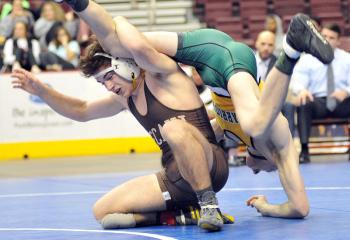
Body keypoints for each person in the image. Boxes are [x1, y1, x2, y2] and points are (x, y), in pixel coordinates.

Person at [54, 0, 334, 218]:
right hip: (222, 58)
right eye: (263, 171)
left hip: (210, 51)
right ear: (274, 163)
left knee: (117, 45)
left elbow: (299, 208)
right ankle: (291, 49)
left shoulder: (254, 135)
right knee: (254, 124)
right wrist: (123, 24)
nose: (255, 171)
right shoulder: (267, 141)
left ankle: (78, 3)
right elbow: (299, 209)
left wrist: (266, 206)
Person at [11, 25, 232, 233]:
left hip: (211, 166)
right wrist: (42, 91)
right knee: (103, 212)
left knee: (173, 128)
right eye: (102, 83)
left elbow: (138, 46)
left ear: (126, 65)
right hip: (176, 177)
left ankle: (209, 205)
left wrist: (110, 20)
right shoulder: (124, 98)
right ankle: (180, 216)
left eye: (109, 77)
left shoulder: (160, 74)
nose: (109, 86)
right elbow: (82, 110)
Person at [291, 23, 350, 163]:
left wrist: (346, 92)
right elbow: (297, 80)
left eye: (332, 37)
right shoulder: (307, 59)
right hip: (318, 102)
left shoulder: (347, 58)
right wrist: (302, 90)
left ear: (338, 41)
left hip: (341, 102)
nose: (327, 40)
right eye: (324, 36)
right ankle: (304, 150)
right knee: (303, 103)